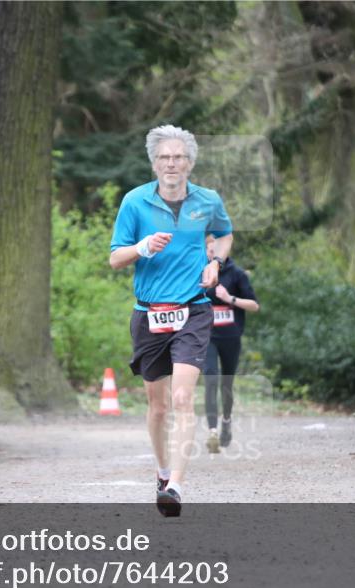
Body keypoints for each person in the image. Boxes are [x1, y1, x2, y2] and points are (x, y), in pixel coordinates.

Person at [109, 125, 234, 517]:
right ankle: (163, 472)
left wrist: (215, 262)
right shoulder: (134, 202)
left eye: (178, 157)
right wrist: (142, 247)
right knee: (158, 405)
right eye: (164, 157)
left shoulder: (207, 200)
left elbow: (224, 234)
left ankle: (176, 486)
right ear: (154, 163)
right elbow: (115, 258)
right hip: (149, 313)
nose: (171, 164)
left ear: (190, 162)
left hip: (193, 310)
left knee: (182, 398)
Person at [203, 236, 259, 453]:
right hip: (207, 336)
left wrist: (230, 298)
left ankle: (226, 420)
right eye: (208, 251)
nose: (211, 255)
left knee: (226, 384)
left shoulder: (237, 274)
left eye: (214, 251)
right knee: (210, 379)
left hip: (230, 337)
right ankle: (212, 432)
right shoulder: (200, 272)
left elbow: (254, 305)